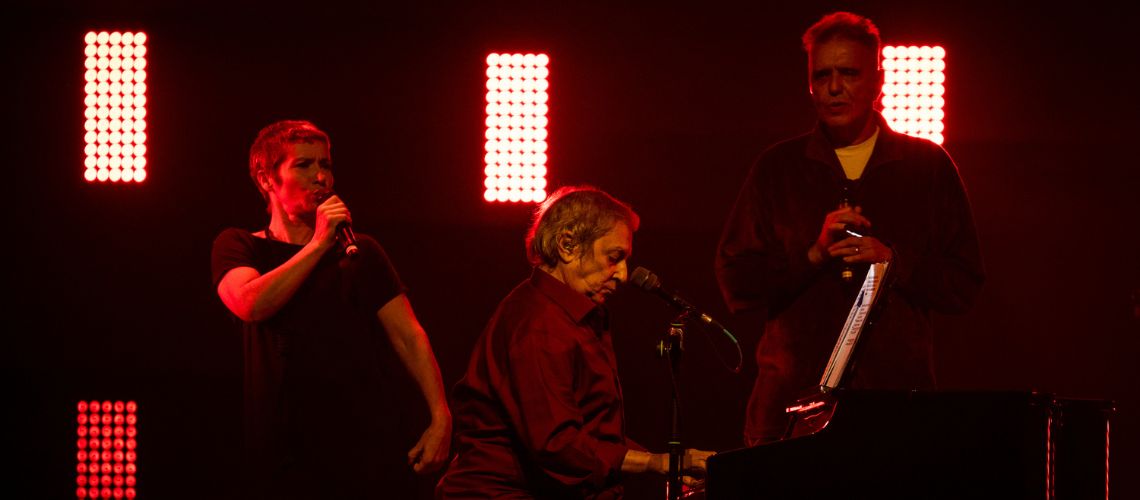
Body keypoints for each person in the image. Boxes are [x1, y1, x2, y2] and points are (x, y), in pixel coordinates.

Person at [715, 12, 985, 446]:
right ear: (808, 82)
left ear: (878, 81)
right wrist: (812, 256)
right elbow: (735, 280)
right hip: (789, 409)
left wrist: (895, 262)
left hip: (894, 410)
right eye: (822, 75)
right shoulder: (778, 169)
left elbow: (965, 282)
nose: (834, 87)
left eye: (849, 73)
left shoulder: (927, 168)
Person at [211, 120, 452, 498]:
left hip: (360, 448)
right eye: (304, 166)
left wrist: (441, 416)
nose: (321, 177)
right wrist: (320, 244)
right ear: (266, 179)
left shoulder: (360, 252)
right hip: (280, 450)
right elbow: (250, 304)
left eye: (325, 165)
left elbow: (408, 335)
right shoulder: (240, 245)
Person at [437, 185, 714, 499]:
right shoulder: (539, 325)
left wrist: (670, 466)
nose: (623, 275)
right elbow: (557, 445)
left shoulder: (572, 317)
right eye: (614, 258)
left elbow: (595, 437)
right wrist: (657, 463)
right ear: (567, 245)